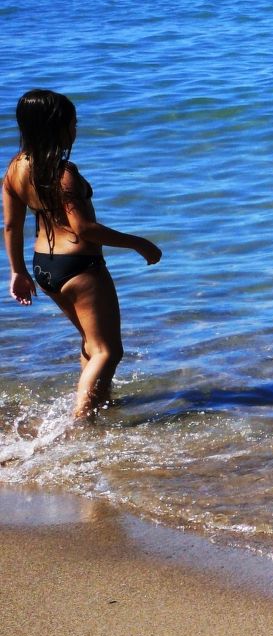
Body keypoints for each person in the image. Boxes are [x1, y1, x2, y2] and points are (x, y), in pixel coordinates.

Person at [5, 90, 163, 420]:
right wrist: (138, 243)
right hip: (79, 266)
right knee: (109, 350)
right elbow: (85, 228)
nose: (75, 129)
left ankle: (100, 403)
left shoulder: (15, 169)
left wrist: (17, 272)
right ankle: (81, 423)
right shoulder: (63, 175)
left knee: (92, 343)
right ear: (56, 128)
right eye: (72, 123)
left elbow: (11, 226)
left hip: (44, 266)